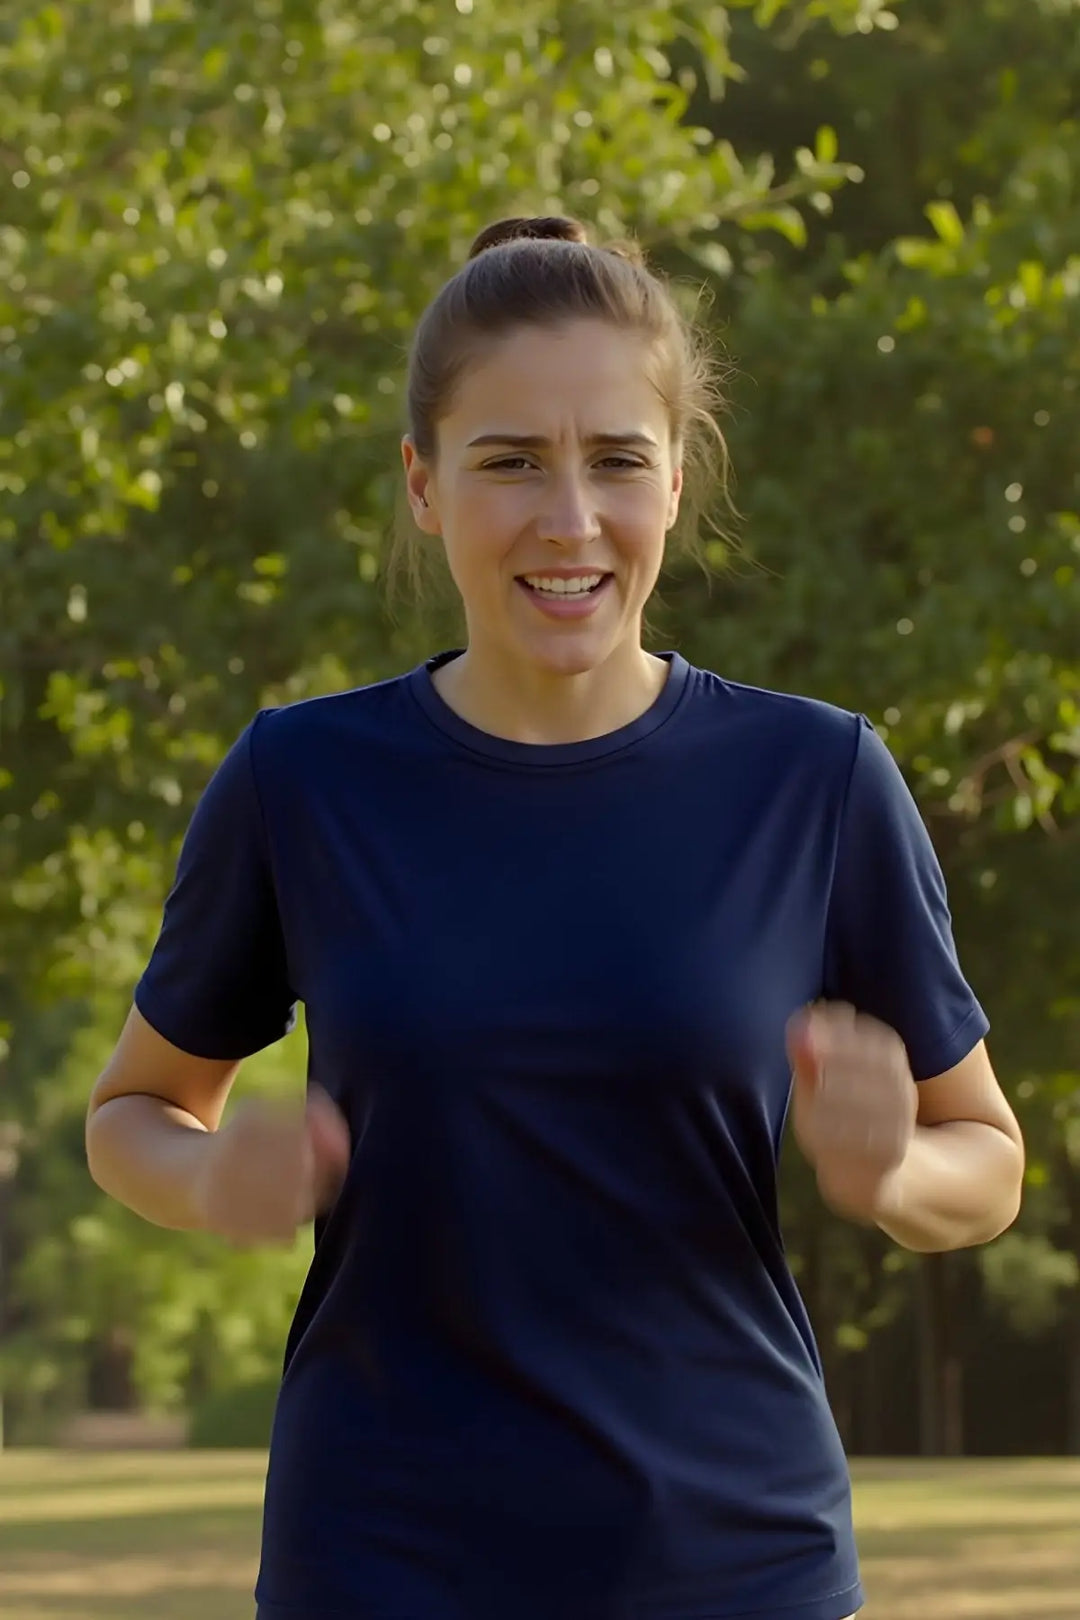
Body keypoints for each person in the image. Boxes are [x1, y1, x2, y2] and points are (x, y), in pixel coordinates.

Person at [85, 215, 1025, 1620]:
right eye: (510, 460)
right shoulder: (303, 778)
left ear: (678, 480)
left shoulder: (815, 778)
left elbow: (988, 1164)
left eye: (617, 462)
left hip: (732, 1563)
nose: (568, 518)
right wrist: (213, 1181)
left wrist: (890, 1175)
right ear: (423, 484)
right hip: (382, 1562)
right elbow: (131, 1117)